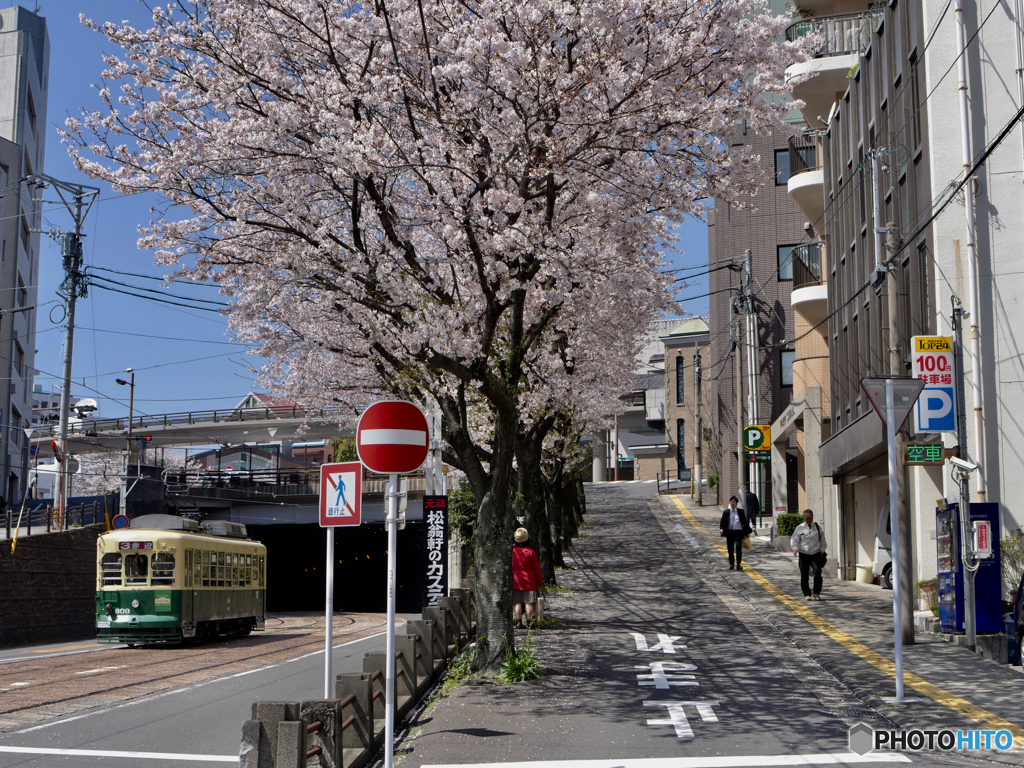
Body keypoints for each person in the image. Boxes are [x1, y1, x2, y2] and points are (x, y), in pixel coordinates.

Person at [791, 508, 827, 600]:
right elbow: (794, 540)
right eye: (807, 518)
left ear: (812, 517)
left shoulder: (818, 527)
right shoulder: (800, 528)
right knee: (804, 574)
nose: (809, 520)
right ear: (804, 518)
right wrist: (795, 549)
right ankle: (806, 594)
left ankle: (816, 593)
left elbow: (823, 540)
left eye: (810, 518)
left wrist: (822, 550)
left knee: (817, 573)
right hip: (804, 554)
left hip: (816, 554)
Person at [512, 527, 544, 628]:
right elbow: (536, 569)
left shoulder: (512, 550)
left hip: (516, 580)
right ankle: (529, 622)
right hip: (529, 580)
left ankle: (518, 621)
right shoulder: (530, 551)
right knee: (529, 602)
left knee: (517, 602)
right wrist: (539, 582)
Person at [718, 495, 752, 571]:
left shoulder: (740, 511)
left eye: (734, 502)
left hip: (739, 532)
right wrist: (721, 529)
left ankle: (739, 564)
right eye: (731, 501)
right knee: (730, 549)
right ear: (729, 502)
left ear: (737, 503)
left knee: (738, 548)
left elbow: (744, 522)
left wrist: (747, 532)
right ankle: (731, 564)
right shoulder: (726, 512)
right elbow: (722, 522)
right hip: (730, 532)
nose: (733, 503)